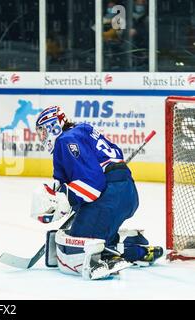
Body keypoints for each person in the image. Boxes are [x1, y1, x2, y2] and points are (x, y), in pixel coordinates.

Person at [31, 106, 163, 280]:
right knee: (98, 234)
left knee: (72, 250)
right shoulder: (82, 130)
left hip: (109, 197)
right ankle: (136, 248)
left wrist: (65, 199)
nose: (41, 136)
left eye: (42, 130)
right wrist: (69, 198)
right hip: (126, 193)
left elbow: (92, 185)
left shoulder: (65, 140)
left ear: (53, 126)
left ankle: (107, 259)